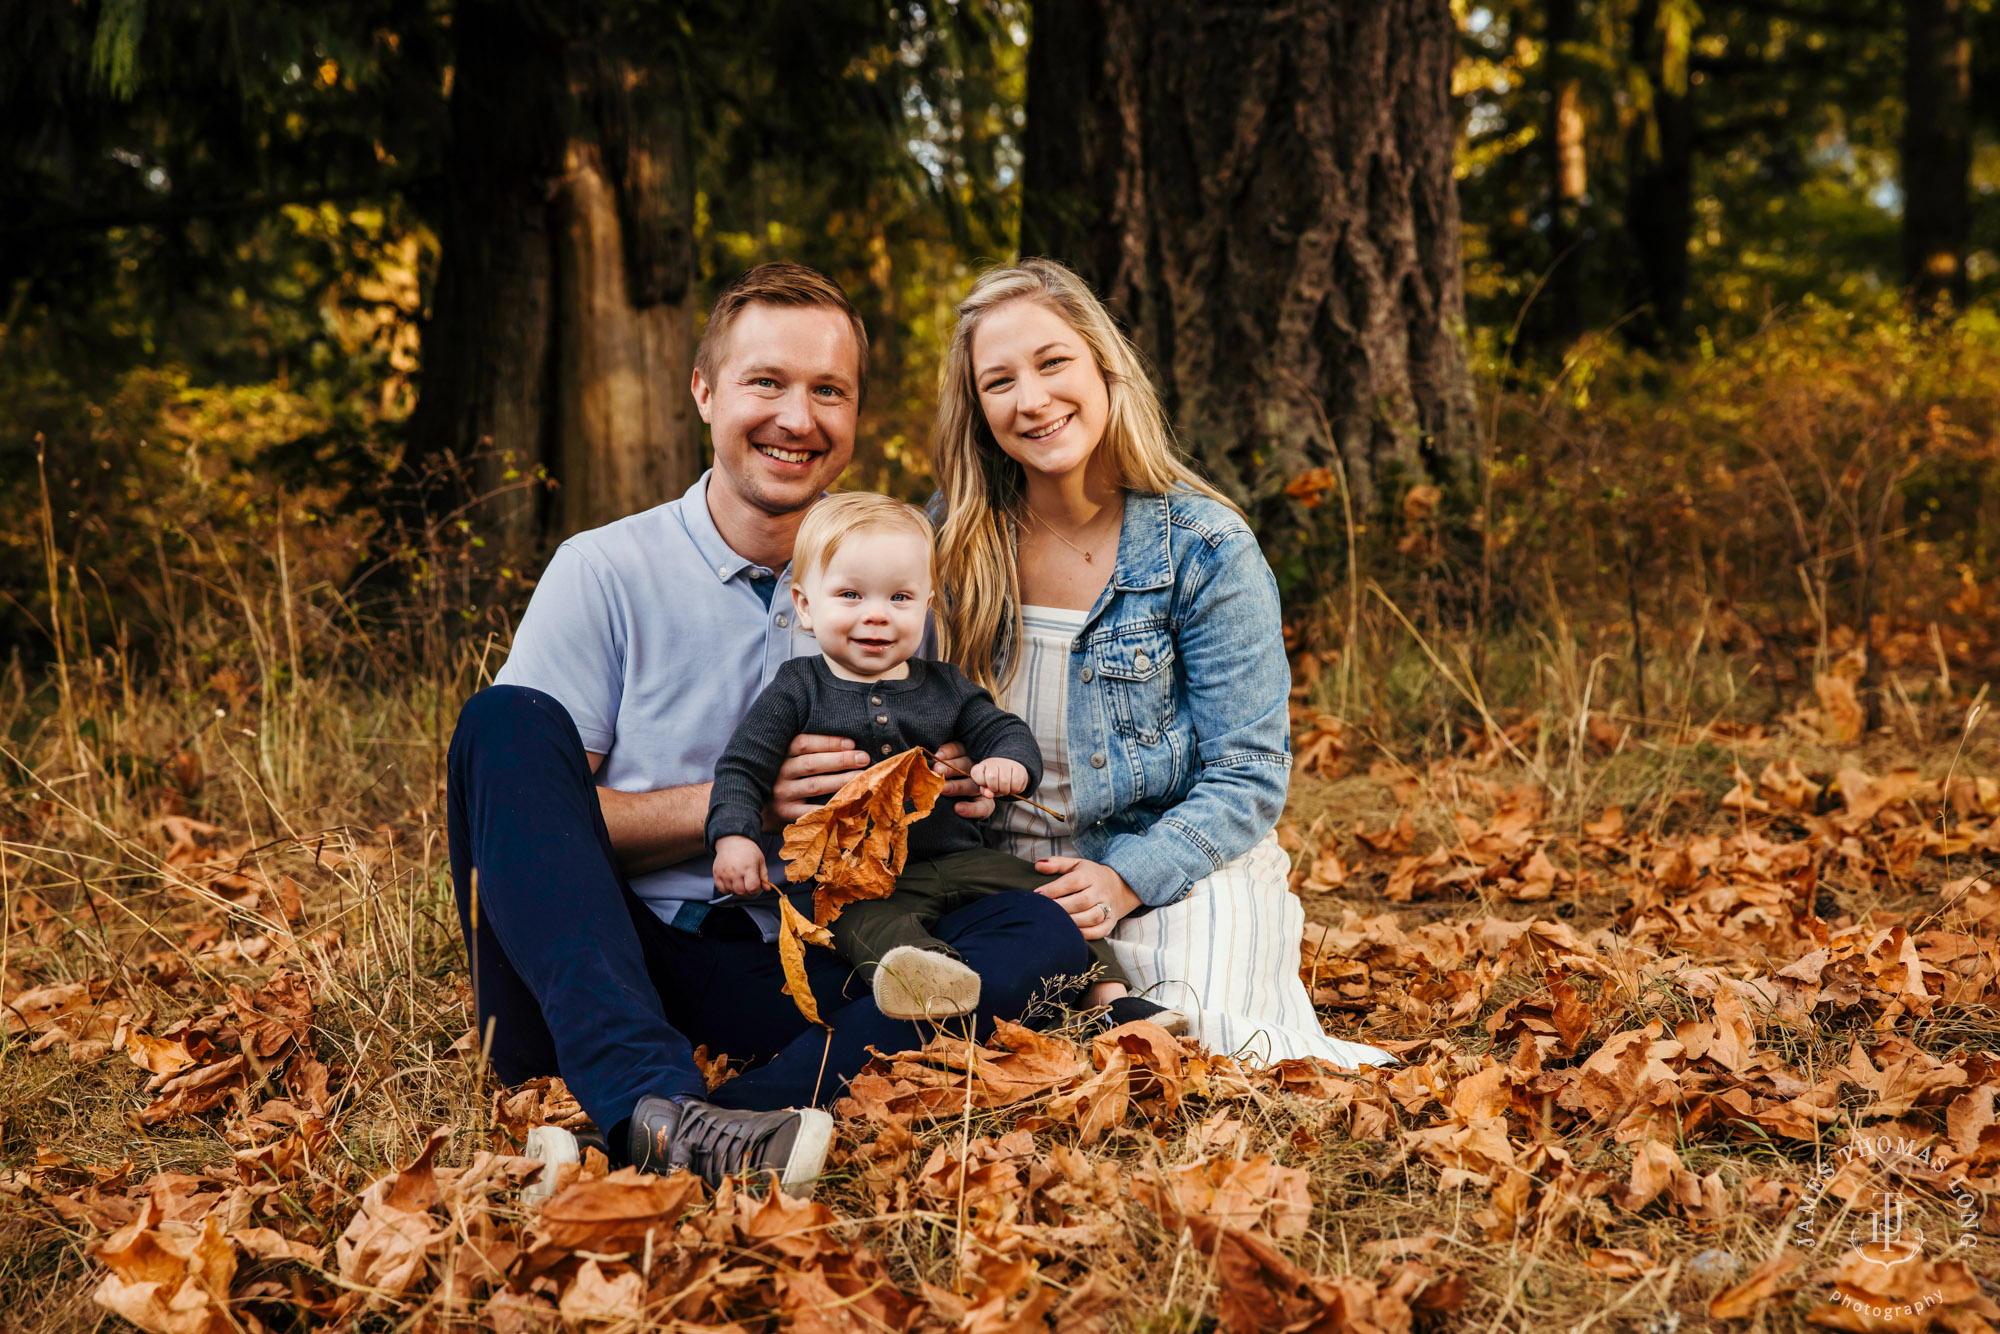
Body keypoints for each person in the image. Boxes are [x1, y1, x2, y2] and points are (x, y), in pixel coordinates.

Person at [448, 263, 1090, 1198]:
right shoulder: (602, 571)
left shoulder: (896, 587)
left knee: (1040, 935)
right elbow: (532, 826)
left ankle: (732, 1118)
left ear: (856, 413)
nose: (799, 418)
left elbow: (947, 767)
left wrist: (940, 785)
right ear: (705, 392)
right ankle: (645, 1093)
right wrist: (735, 807)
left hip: (813, 961)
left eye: (829, 390)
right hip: (616, 956)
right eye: (767, 383)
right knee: (501, 723)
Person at [931, 258, 1395, 1069]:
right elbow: (904, 700)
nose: (1031, 400)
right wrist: (942, 770)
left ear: (1104, 366)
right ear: (976, 409)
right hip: (1004, 873)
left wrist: (1123, 881)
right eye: (998, 381)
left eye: (1051, 363)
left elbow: (1248, 774)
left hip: (1168, 861)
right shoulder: (949, 537)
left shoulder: (1205, 548)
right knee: (998, 1040)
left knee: (1188, 1049)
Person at [705, 492, 1182, 1030]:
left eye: (900, 597)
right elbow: (743, 768)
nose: (877, 615)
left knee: (1046, 897)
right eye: (851, 595)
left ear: (927, 604)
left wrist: (1009, 764)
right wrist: (735, 837)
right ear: (807, 606)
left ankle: (1111, 999)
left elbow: (1002, 729)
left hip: (959, 859)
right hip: (859, 879)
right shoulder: (797, 690)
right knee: (857, 922)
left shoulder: (944, 685)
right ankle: (936, 984)